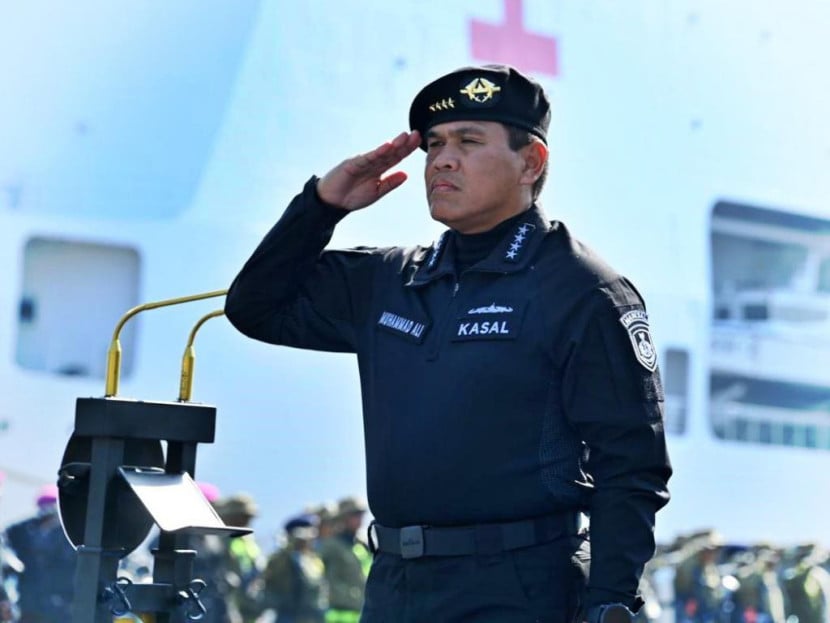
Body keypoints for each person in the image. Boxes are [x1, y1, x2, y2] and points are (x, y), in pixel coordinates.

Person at [225, 63, 672, 622]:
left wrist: (609, 604)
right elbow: (255, 308)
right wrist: (321, 206)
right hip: (394, 586)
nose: (443, 160)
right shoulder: (391, 279)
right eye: (433, 144)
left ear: (531, 162)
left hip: (521, 589)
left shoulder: (583, 291)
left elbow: (630, 468)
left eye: (468, 141)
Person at [3, 484, 77, 622]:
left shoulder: (71, 533)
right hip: (29, 605)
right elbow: (5, 543)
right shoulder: (23, 530)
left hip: (62, 607)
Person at [261, 514, 327, 623]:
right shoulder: (281, 557)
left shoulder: (314, 559)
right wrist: (289, 549)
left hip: (312, 615)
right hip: (288, 614)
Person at [317, 497, 371, 623]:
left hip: (362, 611)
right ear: (344, 518)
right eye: (355, 515)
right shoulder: (330, 545)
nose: (359, 519)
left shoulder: (361, 545)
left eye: (361, 515)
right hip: (339, 614)